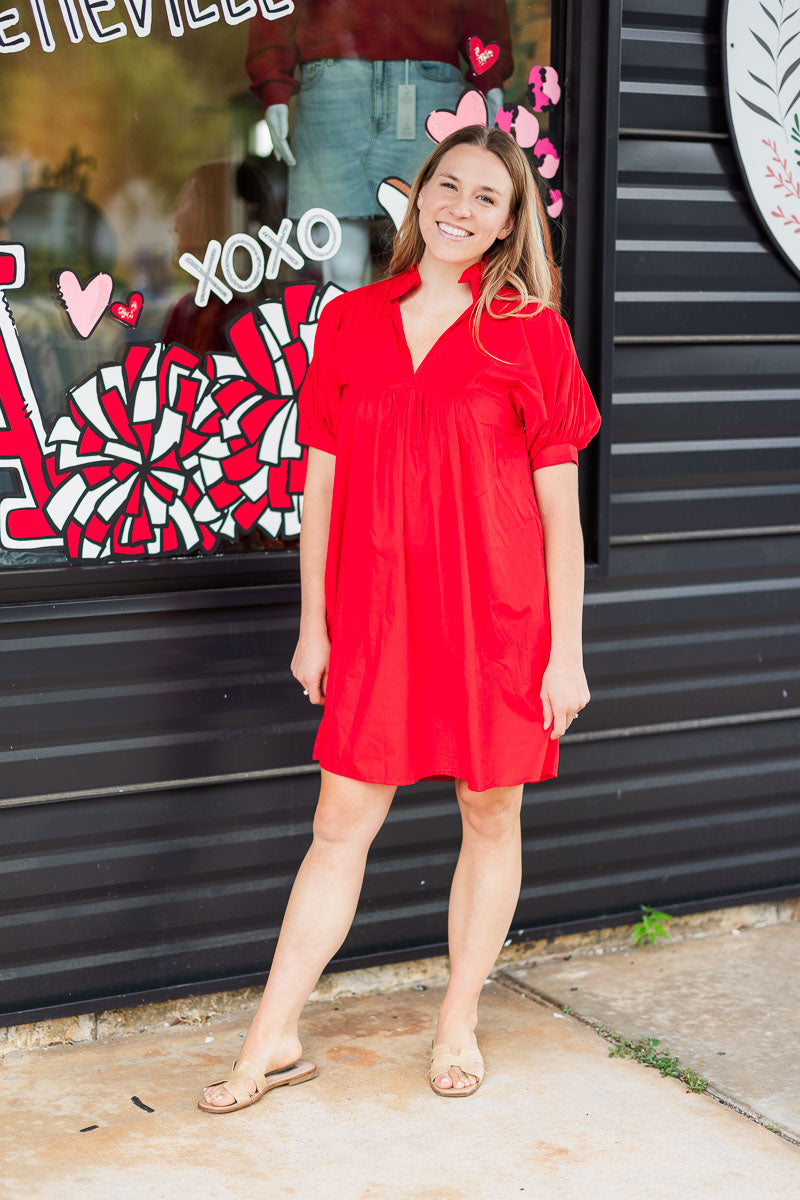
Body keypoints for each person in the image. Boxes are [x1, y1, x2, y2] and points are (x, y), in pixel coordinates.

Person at [198, 123, 601, 1112]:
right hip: (375, 617)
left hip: (497, 619)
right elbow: (319, 493)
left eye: (484, 198)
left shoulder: (528, 333)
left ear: (510, 226)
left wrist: (566, 655)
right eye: (445, 187)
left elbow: (558, 512)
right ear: (417, 195)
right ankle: (271, 1036)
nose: (458, 209)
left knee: (488, 808)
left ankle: (457, 1019)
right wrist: (313, 625)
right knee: (339, 820)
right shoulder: (351, 322)